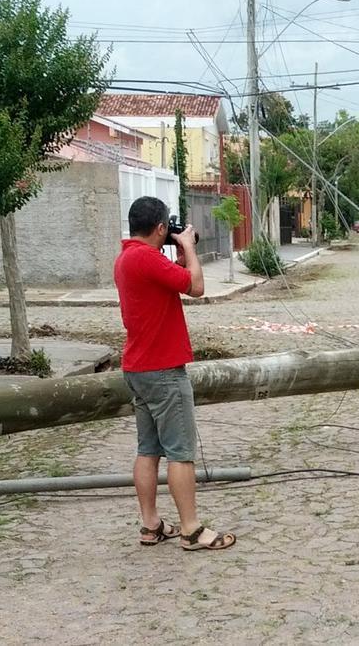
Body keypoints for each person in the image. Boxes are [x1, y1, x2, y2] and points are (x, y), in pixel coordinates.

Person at [113, 197, 236, 552]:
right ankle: (191, 529)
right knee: (180, 452)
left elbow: (175, 280)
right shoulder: (147, 258)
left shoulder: (126, 258)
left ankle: (151, 524)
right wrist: (189, 249)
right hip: (163, 370)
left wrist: (183, 257)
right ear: (161, 228)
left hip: (138, 368)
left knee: (148, 449)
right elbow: (196, 287)